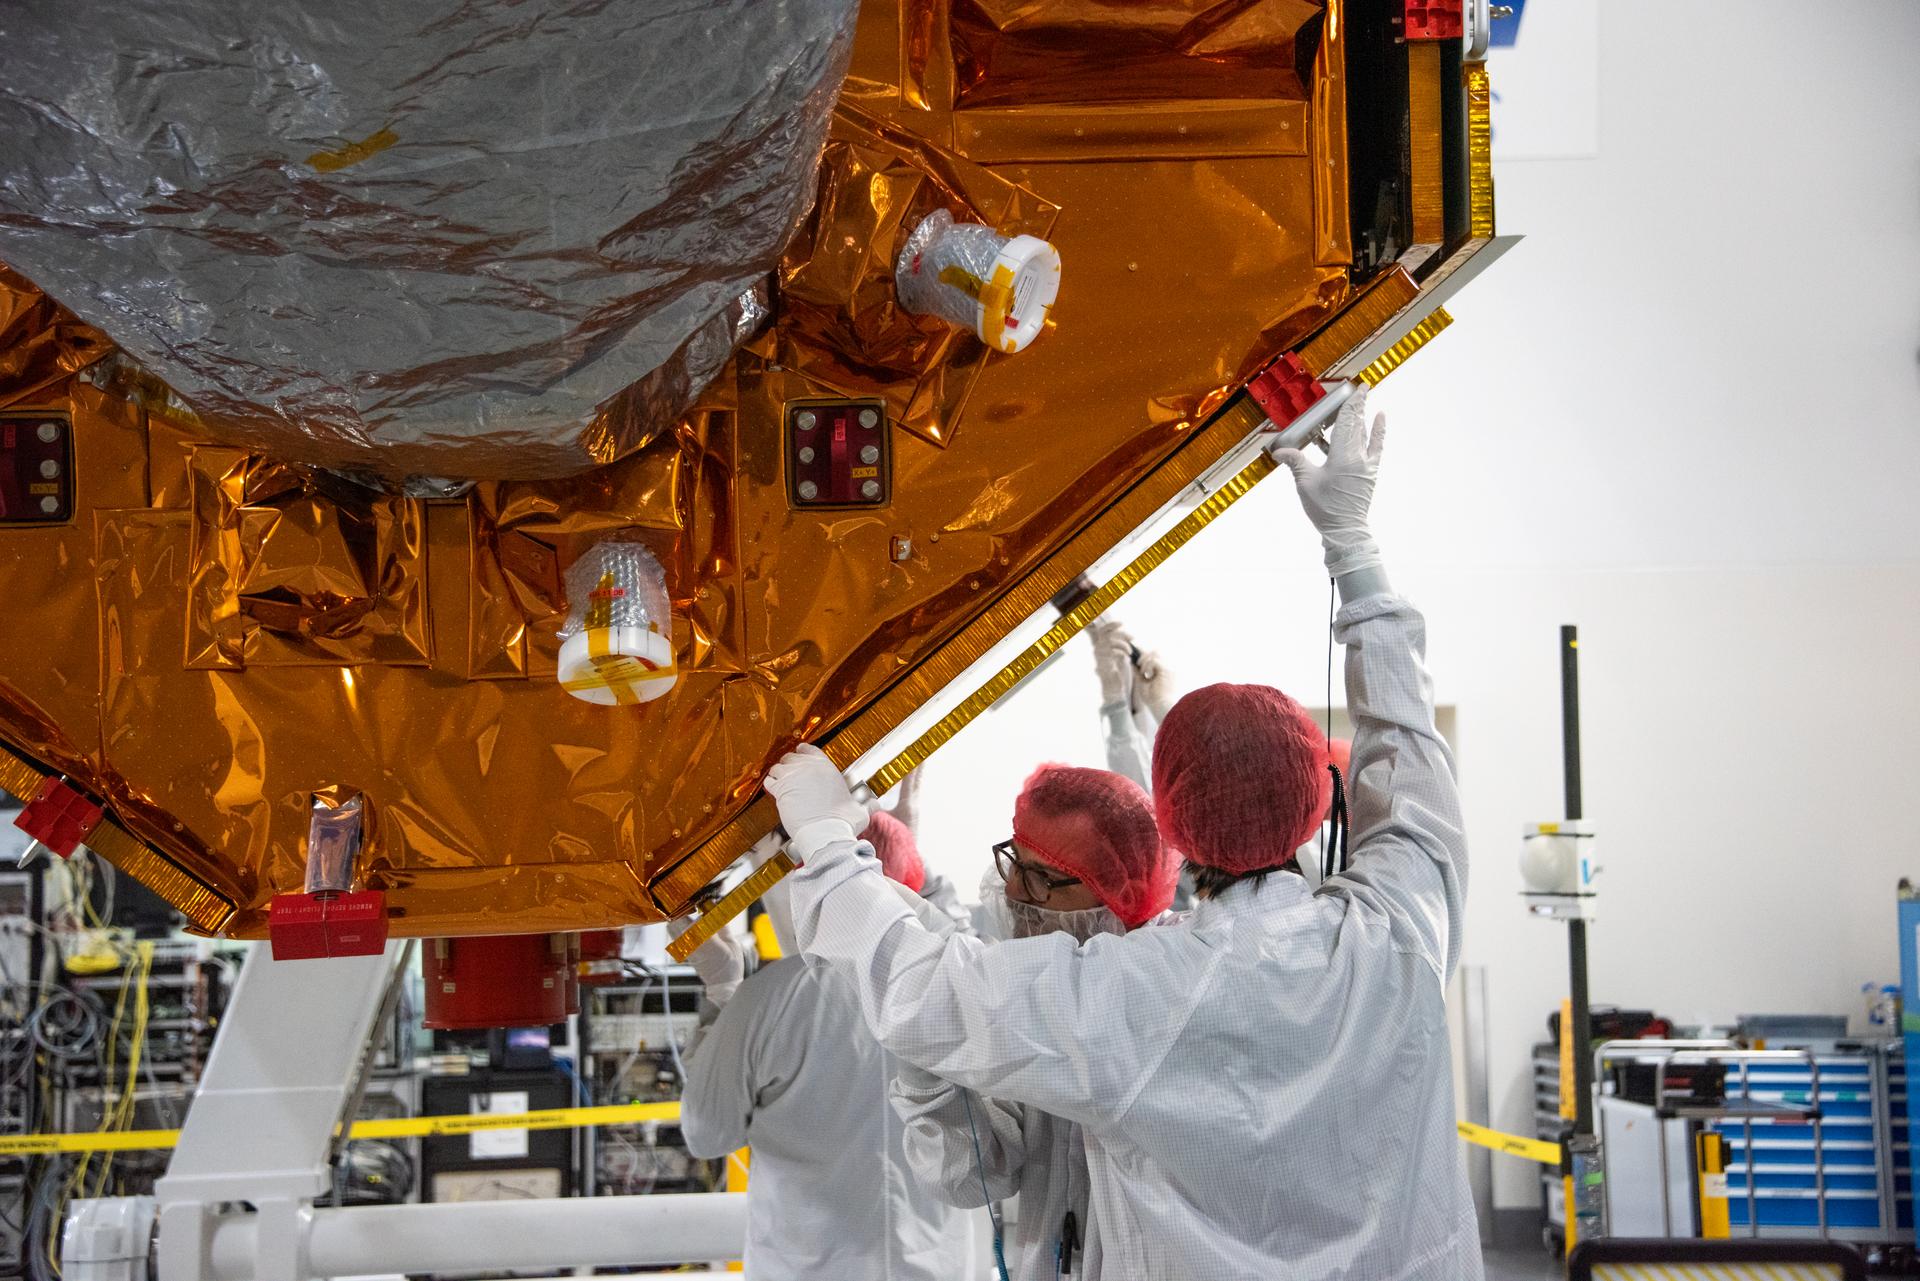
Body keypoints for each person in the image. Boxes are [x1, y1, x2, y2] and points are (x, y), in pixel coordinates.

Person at [765, 389, 1480, 1279]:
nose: (1017, 893)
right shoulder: (1404, 928)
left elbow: (930, 992)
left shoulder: (1138, 994)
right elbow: (1409, 754)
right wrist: (1353, 545)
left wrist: (832, 852)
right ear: (1320, 799)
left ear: (1170, 824)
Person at [890, 765, 1178, 1281]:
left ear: (1118, 888)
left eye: (1043, 877)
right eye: (1015, 863)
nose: (1014, 893)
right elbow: (972, 1175)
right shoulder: (1027, 996)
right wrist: (926, 1050)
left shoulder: (1169, 989)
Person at [676, 812, 976, 1281]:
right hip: (938, 1270)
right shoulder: (961, 984)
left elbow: (707, 1133)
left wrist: (722, 994)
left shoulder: (768, 1001)